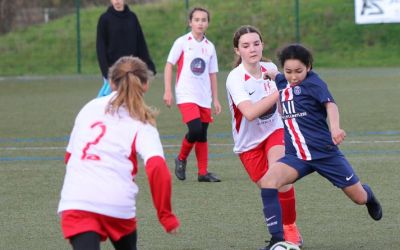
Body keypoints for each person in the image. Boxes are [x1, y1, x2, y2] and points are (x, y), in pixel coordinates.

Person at [259, 44, 382, 250]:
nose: (293, 76)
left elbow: (330, 105)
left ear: (308, 67)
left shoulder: (315, 83)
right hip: (296, 156)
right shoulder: (281, 81)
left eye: (298, 71)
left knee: (358, 198)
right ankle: (277, 240)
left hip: (325, 154)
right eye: (288, 71)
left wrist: (335, 128)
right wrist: (267, 70)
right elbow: (273, 72)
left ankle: (368, 195)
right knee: (269, 182)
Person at [58, 56, 179, 250]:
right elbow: (157, 167)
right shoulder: (143, 121)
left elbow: (69, 158)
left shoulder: (88, 108)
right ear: (146, 85)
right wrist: (166, 215)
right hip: (116, 203)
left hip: (77, 200)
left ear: (111, 83)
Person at [225, 25, 303, 247]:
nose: (252, 49)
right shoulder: (235, 78)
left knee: (281, 177)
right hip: (248, 144)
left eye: (256, 44)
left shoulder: (271, 68)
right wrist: (280, 91)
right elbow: (249, 113)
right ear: (237, 51)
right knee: (269, 188)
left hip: (275, 131)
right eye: (246, 45)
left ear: (262, 45)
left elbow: (287, 98)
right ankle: (281, 233)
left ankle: (288, 232)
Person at [163, 7, 222, 182]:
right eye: (196, 19)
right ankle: (181, 158)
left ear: (207, 23)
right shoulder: (182, 42)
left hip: (204, 96)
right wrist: (167, 90)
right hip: (186, 94)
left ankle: (202, 173)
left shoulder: (209, 47)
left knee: (202, 133)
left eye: (204, 20)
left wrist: (216, 99)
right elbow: (169, 65)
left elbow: (212, 74)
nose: (200, 23)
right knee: (195, 129)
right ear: (190, 22)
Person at [96, 0, 156, 97]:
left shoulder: (132, 17)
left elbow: (140, 43)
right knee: (112, 102)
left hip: (132, 70)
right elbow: (100, 48)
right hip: (114, 71)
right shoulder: (104, 19)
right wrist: (106, 72)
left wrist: (149, 64)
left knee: (132, 101)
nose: (117, 1)